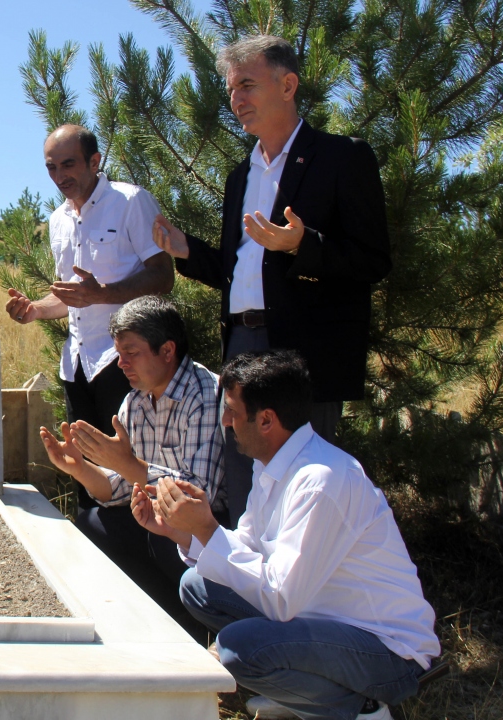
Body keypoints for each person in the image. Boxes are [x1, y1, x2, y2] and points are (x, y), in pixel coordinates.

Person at [151, 35, 392, 525]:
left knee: (304, 492)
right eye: (230, 89)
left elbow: (373, 259)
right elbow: (239, 271)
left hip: (302, 353)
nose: (236, 99)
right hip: (241, 346)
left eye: (247, 85)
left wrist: (302, 245)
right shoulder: (240, 176)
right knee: (244, 489)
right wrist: (186, 250)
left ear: (287, 85)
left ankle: (297, 577)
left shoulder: (342, 158)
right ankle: (247, 574)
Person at [131, 350, 439, 720]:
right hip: (322, 619)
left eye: (232, 411)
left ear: (266, 420)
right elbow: (249, 548)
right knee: (197, 586)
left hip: (387, 651)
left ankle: (360, 709)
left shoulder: (320, 481)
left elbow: (280, 598)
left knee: (239, 650)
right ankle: (304, 692)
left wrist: (207, 528)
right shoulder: (276, 463)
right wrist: (184, 532)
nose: (225, 422)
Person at [6, 124, 174, 512]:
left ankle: (136, 545)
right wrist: (36, 309)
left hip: (125, 363)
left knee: (132, 473)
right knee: (86, 474)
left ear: (95, 161)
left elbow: (163, 276)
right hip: (77, 364)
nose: (59, 176)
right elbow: (70, 296)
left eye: (68, 164)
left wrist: (102, 294)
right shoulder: (58, 220)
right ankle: (92, 540)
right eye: (51, 167)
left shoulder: (131, 201)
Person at [37, 296, 221, 634]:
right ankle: (141, 624)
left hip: (202, 532)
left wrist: (128, 463)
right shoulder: (135, 401)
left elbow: (198, 496)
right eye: (118, 353)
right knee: (92, 524)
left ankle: (193, 631)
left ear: (167, 351)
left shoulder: (204, 395)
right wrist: (80, 469)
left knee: (162, 537)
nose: (121, 364)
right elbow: (121, 486)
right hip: (155, 519)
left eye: (131, 353)